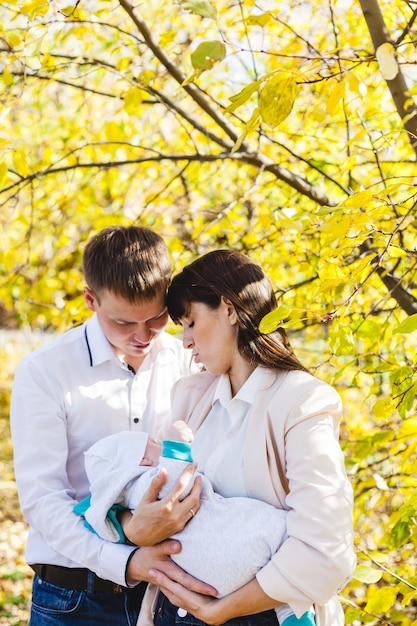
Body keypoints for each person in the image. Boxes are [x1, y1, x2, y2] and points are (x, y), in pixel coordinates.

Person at [124, 249, 355, 626]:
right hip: (173, 612)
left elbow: (325, 549)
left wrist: (221, 610)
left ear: (229, 309)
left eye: (191, 322)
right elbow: (151, 487)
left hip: (257, 615)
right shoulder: (189, 395)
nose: (185, 341)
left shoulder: (303, 402)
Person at [9, 225, 214, 626]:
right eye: (123, 323)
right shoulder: (45, 372)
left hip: (173, 595)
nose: (142, 336)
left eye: (156, 318)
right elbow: (44, 500)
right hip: (74, 599)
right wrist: (127, 561)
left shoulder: (191, 362)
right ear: (90, 299)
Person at [74, 422, 315, 625]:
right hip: (237, 547)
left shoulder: (128, 507)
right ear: (145, 460)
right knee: (281, 534)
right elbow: (174, 485)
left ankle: (291, 613)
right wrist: (176, 444)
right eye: (155, 444)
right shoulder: (143, 482)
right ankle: (295, 609)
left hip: (211, 580)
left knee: (275, 577)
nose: (161, 446)